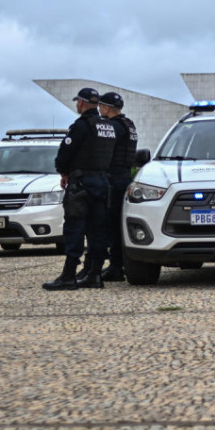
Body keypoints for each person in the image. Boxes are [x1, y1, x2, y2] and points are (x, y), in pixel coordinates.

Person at [43, 88, 116, 291]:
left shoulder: (81, 126)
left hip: (82, 183)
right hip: (102, 183)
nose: (77, 106)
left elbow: (64, 154)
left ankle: (68, 276)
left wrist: (63, 172)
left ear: (82, 104)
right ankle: (94, 275)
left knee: (74, 229)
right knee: (97, 230)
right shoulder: (108, 126)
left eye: (78, 103)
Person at [95, 91, 137, 282]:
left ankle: (115, 266)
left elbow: (102, 151)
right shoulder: (128, 125)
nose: (98, 109)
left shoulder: (112, 127)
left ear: (106, 107)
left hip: (114, 180)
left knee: (112, 226)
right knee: (118, 224)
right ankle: (118, 265)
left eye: (100, 106)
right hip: (125, 178)